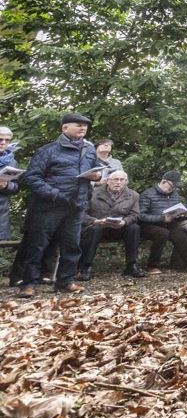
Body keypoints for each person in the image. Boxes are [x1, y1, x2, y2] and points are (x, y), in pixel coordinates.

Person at [16, 113, 101, 297]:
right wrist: (55, 195)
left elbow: (98, 172)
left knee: (72, 246)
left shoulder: (89, 150)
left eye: (85, 126)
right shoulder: (47, 151)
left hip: (76, 206)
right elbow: (31, 178)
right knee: (37, 246)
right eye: (78, 125)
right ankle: (28, 284)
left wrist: (98, 176)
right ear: (65, 128)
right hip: (48, 207)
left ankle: (65, 281)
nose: (83, 128)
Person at [78, 169, 144, 280]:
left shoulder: (133, 195)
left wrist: (124, 222)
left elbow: (135, 215)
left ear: (126, 182)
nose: (118, 182)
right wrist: (95, 221)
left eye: (122, 180)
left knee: (134, 228)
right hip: (98, 226)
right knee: (95, 230)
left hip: (119, 227)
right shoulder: (93, 193)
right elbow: (81, 214)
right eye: (115, 179)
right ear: (108, 181)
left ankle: (131, 265)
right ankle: (86, 267)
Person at [138, 171, 187, 274]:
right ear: (164, 181)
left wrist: (181, 214)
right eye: (172, 186)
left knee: (181, 232)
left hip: (168, 224)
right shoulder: (147, 194)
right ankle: (152, 266)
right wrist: (161, 218)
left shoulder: (174, 195)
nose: (173, 189)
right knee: (162, 233)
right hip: (149, 226)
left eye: (175, 187)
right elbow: (141, 216)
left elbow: (177, 209)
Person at [0, 126, 20, 241]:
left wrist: (6, 186)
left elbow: (15, 187)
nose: (3, 143)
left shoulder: (11, 161)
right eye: (0, 139)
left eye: (7, 140)